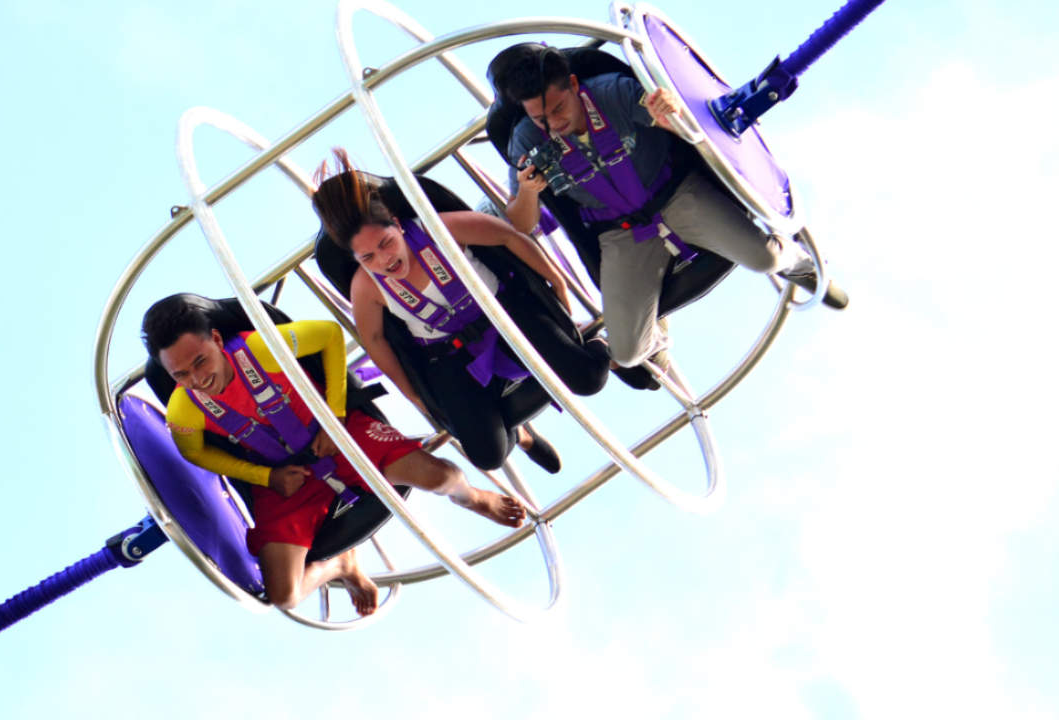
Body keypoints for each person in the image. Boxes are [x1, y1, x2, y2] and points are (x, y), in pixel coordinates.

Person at [141, 293, 525, 616]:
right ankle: (340, 564)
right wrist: (266, 478)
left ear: (217, 339)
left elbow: (329, 336)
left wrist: (333, 415)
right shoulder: (183, 410)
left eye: (200, 362)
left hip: (339, 436)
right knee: (285, 595)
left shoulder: (262, 348)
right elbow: (196, 454)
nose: (197, 379)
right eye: (181, 375)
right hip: (281, 477)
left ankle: (474, 497)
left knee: (439, 478)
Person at [488, 44, 848, 379]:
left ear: (572, 84)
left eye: (558, 109)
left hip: (676, 196)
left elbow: (682, 128)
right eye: (541, 119)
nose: (554, 124)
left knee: (765, 259)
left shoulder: (612, 92)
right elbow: (522, 224)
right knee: (627, 354)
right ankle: (655, 336)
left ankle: (800, 263)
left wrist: (667, 112)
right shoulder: (526, 141)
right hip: (620, 232)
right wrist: (528, 192)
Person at [311, 150, 612, 475]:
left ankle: (605, 346)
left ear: (397, 225)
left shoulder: (439, 230)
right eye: (368, 257)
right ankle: (523, 436)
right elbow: (374, 339)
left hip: (504, 318)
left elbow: (509, 238)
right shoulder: (365, 287)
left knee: (589, 380)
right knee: (488, 456)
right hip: (449, 354)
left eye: (386, 243)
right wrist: (415, 396)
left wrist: (558, 286)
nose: (384, 260)